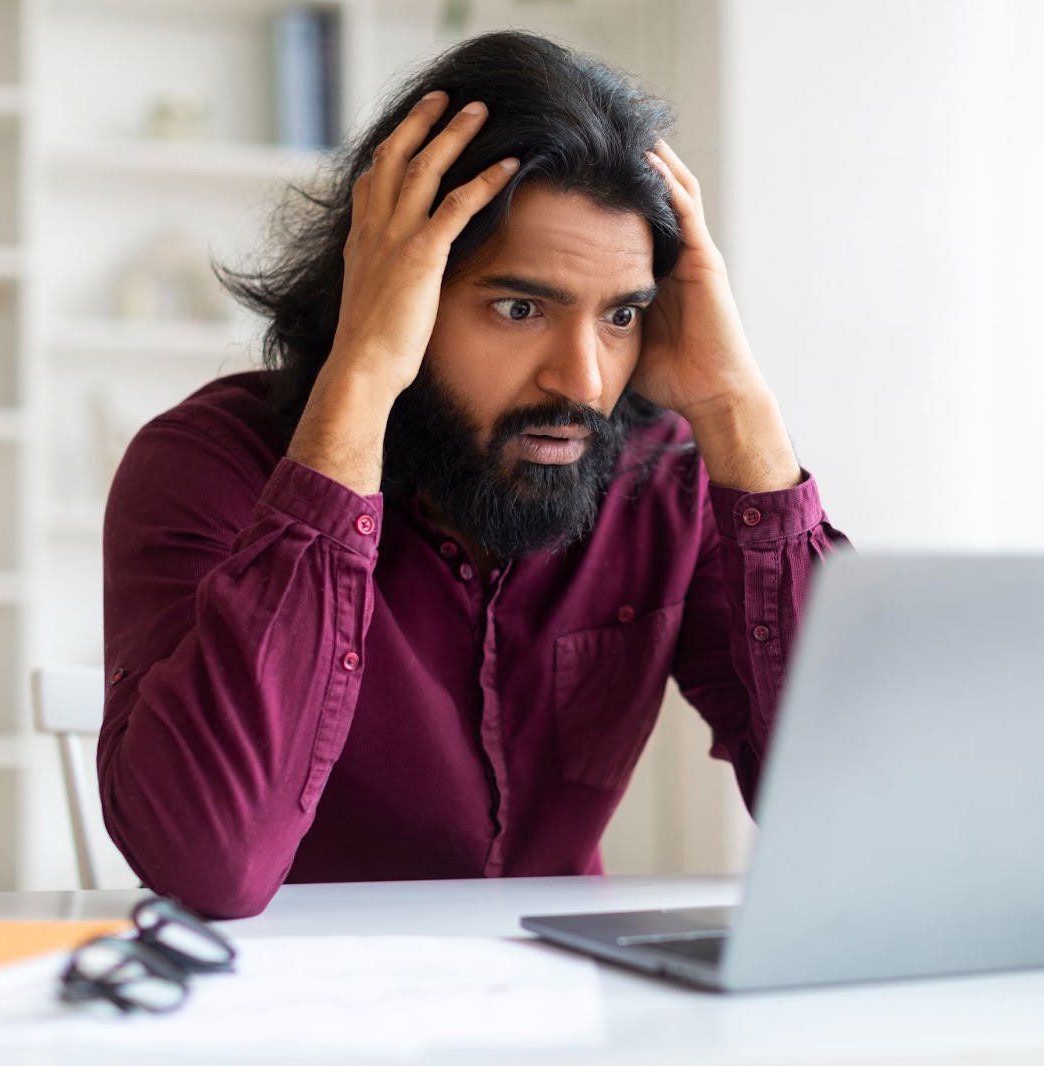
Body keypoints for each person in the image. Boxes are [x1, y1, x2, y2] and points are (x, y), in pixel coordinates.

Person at [100, 29, 847, 919]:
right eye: (520, 307)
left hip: (566, 1015)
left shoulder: (658, 488)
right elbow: (210, 860)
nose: (582, 380)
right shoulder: (207, 467)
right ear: (390, 289)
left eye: (621, 316)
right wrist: (365, 375)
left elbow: (862, 822)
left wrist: (736, 408)